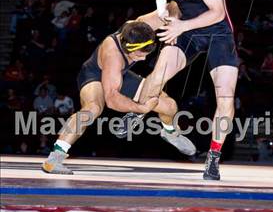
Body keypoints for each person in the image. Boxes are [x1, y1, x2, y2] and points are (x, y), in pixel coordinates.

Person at [136, 0, 239, 180]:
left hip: (217, 32)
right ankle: (137, 111)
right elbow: (162, 4)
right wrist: (164, 16)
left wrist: (181, 25)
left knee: (225, 98)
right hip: (188, 29)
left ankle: (213, 157)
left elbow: (217, 12)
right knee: (160, 70)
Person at [42, 17, 196, 174]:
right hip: (94, 74)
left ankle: (170, 132)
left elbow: (169, 9)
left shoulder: (139, 27)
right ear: (129, 47)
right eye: (140, 54)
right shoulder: (113, 56)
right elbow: (111, 99)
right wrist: (141, 109)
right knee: (92, 109)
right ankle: (54, 159)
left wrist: (177, 19)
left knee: (169, 106)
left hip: (121, 75)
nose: (143, 58)